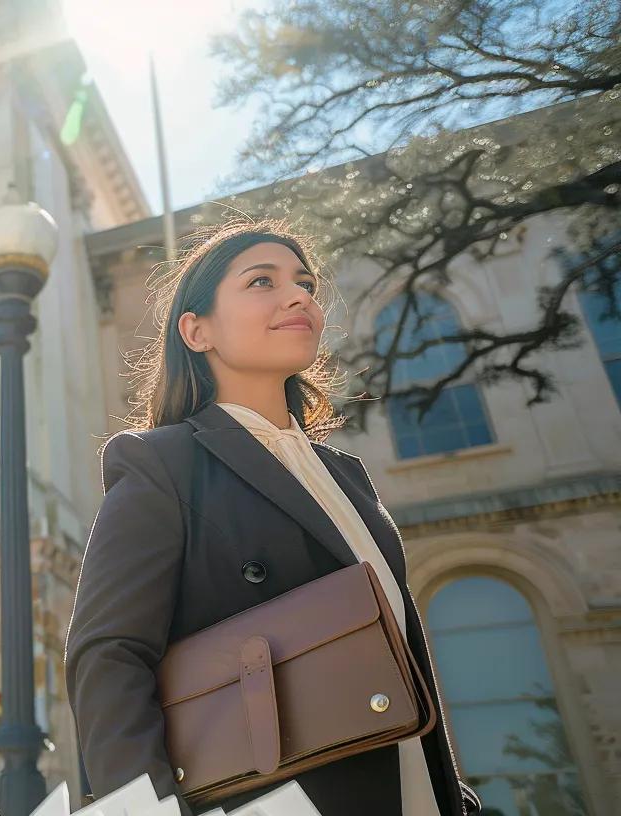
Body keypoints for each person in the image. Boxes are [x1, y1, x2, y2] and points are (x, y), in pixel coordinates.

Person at [63, 220, 480, 815]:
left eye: (304, 282)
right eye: (262, 281)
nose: (299, 297)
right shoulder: (162, 463)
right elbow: (107, 658)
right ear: (196, 329)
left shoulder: (346, 476)